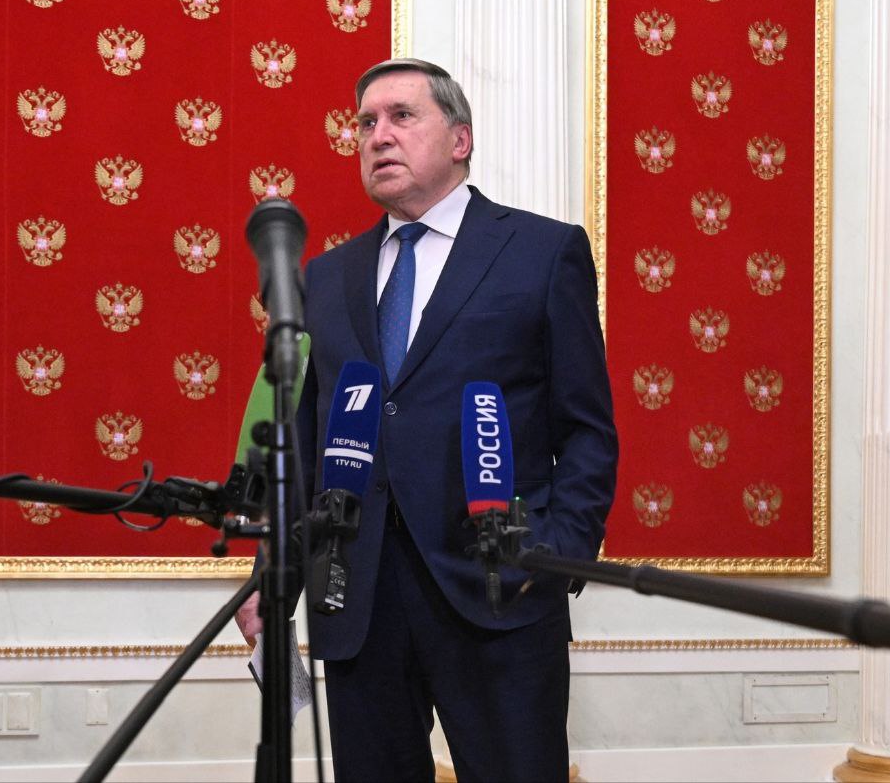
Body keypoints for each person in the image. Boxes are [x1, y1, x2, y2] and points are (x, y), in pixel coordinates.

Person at [236, 58, 617, 782]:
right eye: (365, 123)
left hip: (499, 595)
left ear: (460, 139)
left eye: (402, 116)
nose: (378, 136)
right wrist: (272, 574)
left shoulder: (543, 252)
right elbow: (305, 440)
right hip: (357, 599)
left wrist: (558, 552)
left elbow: (587, 428)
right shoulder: (326, 278)